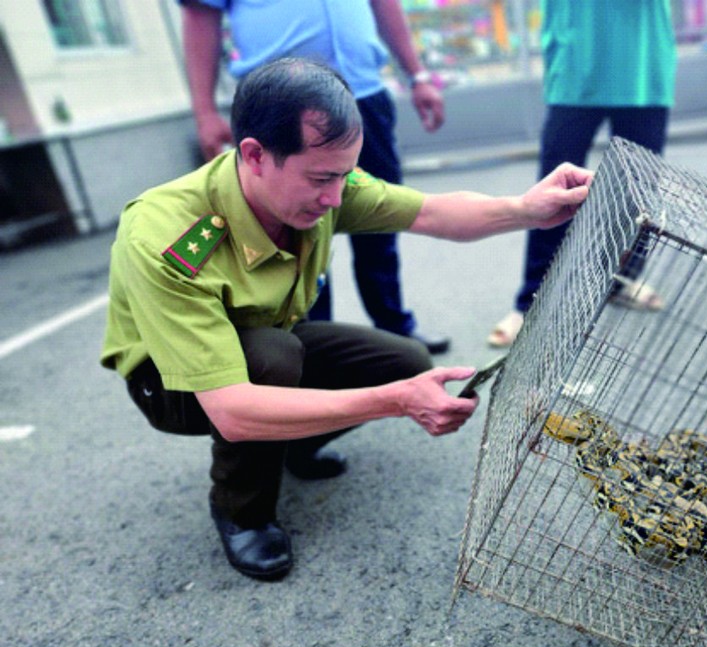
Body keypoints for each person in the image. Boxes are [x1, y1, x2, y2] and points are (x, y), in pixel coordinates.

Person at [100, 58, 592, 582]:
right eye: (320, 179)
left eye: (343, 175)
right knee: (274, 359)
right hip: (171, 381)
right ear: (255, 155)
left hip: (269, 341)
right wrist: (396, 402)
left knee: (402, 360)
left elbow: (429, 212)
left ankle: (292, 442)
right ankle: (241, 511)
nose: (335, 197)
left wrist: (525, 209)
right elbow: (233, 411)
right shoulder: (165, 234)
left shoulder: (327, 182)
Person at [181, 0, 452, 355]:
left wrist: (416, 75)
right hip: (280, 108)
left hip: (363, 93)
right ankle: (305, 348)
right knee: (292, 229)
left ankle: (394, 329)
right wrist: (204, 112)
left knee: (381, 221)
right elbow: (201, 16)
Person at [487, 0, 678, 347]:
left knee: (637, 188)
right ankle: (532, 300)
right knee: (554, 193)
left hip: (643, 63)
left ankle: (623, 278)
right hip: (576, 64)